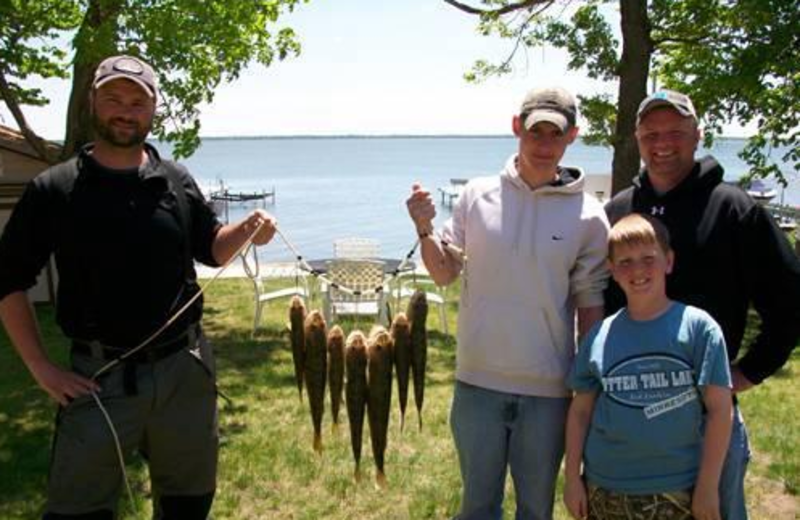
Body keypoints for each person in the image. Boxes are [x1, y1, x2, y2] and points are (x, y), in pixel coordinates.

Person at [0, 55, 276, 519]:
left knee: (188, 504)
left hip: (185, 372)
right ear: (92, 102)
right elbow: (7, 281)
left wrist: (247, 228)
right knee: (76, 511)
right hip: (97, 379)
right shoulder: (55, 187)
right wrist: (41, 369)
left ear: (153, 111)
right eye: (113, 99)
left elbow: (211, 248)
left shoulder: (174, 178)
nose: (125, 111)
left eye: (137, 101)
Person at [406, 86, 610, 520]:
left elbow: (590, 307)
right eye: (535, 131)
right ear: (516, 127)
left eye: (555, 134)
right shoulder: (476, 196)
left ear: (572, 136)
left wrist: (587, 386)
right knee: (477, 507)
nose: (544, 144)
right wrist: (424, 229)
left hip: (549, 391)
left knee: (536, 510)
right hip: (477, 384)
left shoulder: (590, 216)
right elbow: (444, 272)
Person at [604, 89, 800, 519]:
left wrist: (749, 371)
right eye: (650, 134)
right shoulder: (618, 211)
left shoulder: (734, 209)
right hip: (629, 414)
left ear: (698, 135)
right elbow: (600, 307)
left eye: (675, 132)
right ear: (637, 139)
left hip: (706, 418)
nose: (662, 143)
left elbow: (791, 301)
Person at [565, 214, 733, 520]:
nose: (638, 270)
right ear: (612, 271)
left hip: (678, 488)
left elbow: (721, 410)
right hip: (606, 487)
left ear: (668, 261)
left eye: (648, 258)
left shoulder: (699, 329)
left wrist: (708, 486)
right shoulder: (599, 337)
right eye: (625, 262)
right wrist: (572, 478)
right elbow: (580, 412)